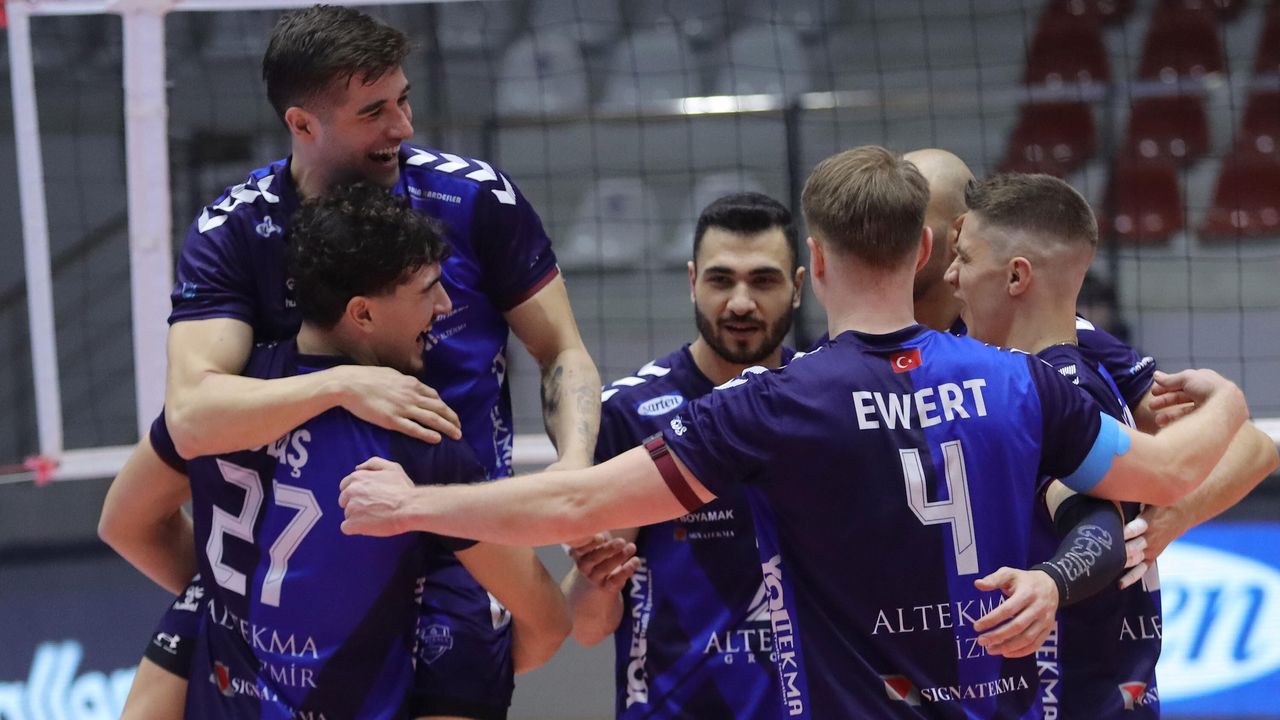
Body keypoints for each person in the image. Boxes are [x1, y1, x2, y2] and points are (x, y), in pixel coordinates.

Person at [337, 146, 1248, 718]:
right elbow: (1169, 476)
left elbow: (576, 502)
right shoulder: (1018, 381)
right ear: (924, 252)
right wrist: (1231, 404)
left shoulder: (776, 403)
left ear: (813, 260)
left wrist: (417, 502)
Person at [103, 4, 600, 717]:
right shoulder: (237, 229)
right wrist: (255, 595)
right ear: (302, 123)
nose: (403, 127)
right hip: (298, 535)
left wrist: (574, 466)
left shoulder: (474, 197)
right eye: (374, 112)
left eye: (403, 100)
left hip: (453, 526)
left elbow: (563, 352)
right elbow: (190, 417)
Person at [111, 183, 569, 719]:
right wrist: (465, 677)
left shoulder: (221, 407)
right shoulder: (415, 431)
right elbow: (548, 619)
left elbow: (124, 524)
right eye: (429, 289)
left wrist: (234, 598)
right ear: (362, 314)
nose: (445, 306)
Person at [904, 149, 1276, 579]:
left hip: (1036, 606)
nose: (888, 234)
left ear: (956, 231)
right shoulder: (857, 350)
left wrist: (1167, 518)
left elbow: (1249, 445)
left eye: (907, 221)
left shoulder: (1058, 344)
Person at [566, 192, 805, 718]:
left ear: (799, 287)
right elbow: (585, 626)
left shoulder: (826, 400)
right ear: (692, 281)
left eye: (763, 281)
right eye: (721, 280)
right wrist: (597, 582)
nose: (740, 303)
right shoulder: (626, 415)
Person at [944, 173, 1163, 716]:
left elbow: (1098, 524)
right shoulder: (1088, 372)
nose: (950, 276)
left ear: (1017, 276)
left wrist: (1050, 581)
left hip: (1062, 699)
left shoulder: (1047, 393)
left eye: (964, 259)